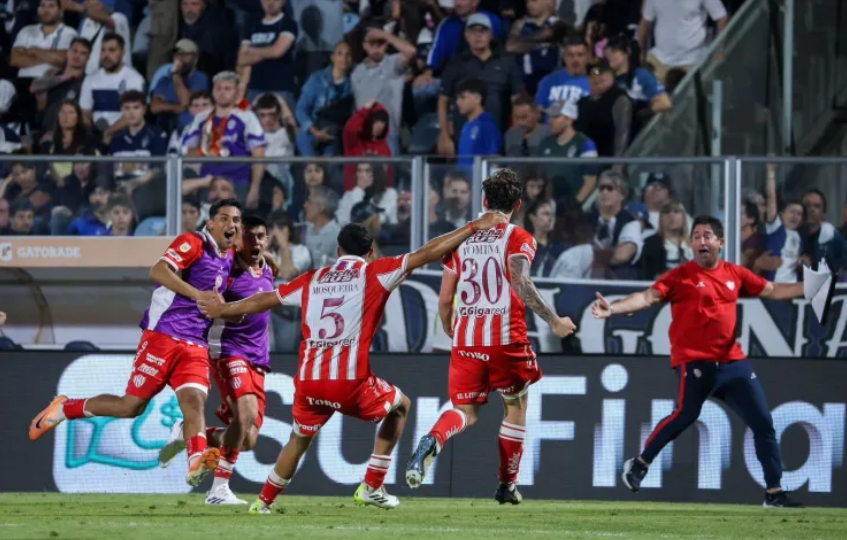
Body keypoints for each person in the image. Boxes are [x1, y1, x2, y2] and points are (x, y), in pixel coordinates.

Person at [198, 210, 511, 513]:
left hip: (308, 382)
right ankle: (372, 486)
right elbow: (427, 253)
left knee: (299, 439)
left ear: (337, 251)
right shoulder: (375, 272)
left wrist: (223, 310)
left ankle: (262, 503)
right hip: (349, 382)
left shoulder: (313, 278)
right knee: (401, 406)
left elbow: (265, 299)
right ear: (371, 251)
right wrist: (472, 227)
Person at [591, 215, 804, 508]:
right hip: (695, 362)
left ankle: (774, 493)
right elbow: (645, 297)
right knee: (686, 414)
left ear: (720, 242)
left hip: (732, 363)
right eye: (696, 236)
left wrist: (811, 288)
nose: (701, 241)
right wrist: (613, 309)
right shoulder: (680, 276)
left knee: (764, 423)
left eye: (707, 236)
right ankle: (639, 464)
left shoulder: (736, 274)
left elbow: (774, 290)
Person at [29, 198, 244, 488]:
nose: (231, 224)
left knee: (194, 403)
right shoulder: (193, 242)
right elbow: (157, 271)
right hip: (163, 335)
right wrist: (197, 294)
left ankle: (195, 461)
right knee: (130, 407)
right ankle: (65, 408)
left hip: (196, 344)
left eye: (236, 220)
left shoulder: (229, 258)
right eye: (225, 218)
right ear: (210, 223)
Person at [405, 168, 576, 503]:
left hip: (467, 337)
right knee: (515, 404)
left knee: (465, 411)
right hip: (505, 337)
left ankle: (435, 439)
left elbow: (444, 299)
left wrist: (449, 325)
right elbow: (520, 281)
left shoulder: (461, 240)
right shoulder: (519, 238)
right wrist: (554, 321)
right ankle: (506, 484)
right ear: (518, 204)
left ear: (483, 200)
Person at [158, 215, 276, 505]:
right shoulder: (230, 269)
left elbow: (271, 265)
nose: (256, 242)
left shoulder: (268, 268)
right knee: (244, 415)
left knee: (248, 439)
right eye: (250, 237)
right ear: (238, 239)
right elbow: (213, 305)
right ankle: (218, 490)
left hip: (258, 358)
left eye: (261, 237)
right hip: (229, 351)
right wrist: (232, 310)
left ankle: (187, 431)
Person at [437, 13, 522, 156]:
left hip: (497, 133)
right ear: (466, 35)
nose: (478, 35)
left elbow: (517, 99)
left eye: (483, 31)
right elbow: (443, 100)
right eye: (473, 31)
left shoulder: (506, 62)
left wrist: (514, 132)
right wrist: (444, 135)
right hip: (462, 133)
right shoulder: (456, 63)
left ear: (491, 34)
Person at [183, 71, 268, 209]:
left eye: (227, 88)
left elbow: (259, 155)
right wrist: (204, 148)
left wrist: (255, 188)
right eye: (218, 88)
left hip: (237, 182)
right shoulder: (201, 118)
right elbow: (189, 153)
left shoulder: (247, 117)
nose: (222, 92)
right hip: (208, 182)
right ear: (213, 91)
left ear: (236, 91)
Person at [352, 25, 416, 155]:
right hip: (363, 136)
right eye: (371, 43)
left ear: (386, 44)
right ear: (364, 45)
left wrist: (385, 35)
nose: (376, 47)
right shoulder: (356, 71)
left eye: (380, 43)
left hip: (388, 134)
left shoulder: (393, 63)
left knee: (390, 175)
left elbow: (411, 51)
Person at [638, 0, 728, 85]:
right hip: (659, 61)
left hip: (692, 62)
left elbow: (722, 17)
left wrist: (720, 49)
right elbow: (645, 22)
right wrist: (642, 52)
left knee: (690, 100)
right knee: (657, 99)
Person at [79, 32, 145, 138]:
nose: (106, 55)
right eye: (103, 50)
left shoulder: (134, 79)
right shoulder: (90, 79)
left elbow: (134, 115)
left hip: (125, 134)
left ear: (122, 53)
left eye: (112, 50)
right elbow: (85, 113)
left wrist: (109, 132)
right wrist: (94, 133)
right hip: (96, 134)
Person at [294, 41, 354, 158]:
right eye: (340, 54)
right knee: (312, 168)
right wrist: (315, 132)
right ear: (333, 57)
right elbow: (301, 109)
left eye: (348, 54)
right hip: (312, 131)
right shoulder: (317, 79)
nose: (344, 58)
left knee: (329, 170)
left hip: (334, 135)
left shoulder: (353, 83)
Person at [604, 34, 671, 137]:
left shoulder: (640, 75)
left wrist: (640, 114)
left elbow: (664, 103)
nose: (610, 56)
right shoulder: (608, 79)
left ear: (627, 53)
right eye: (607, 54)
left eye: (614, 51)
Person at [535, 99, 598, 203]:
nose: (550, 120)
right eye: (550, 116)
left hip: (573, 204)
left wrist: (575, 204)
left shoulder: (585, 144)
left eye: (555, 117)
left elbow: (590, 180)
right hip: (547, 204)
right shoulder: (545, 143)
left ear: (569, 120)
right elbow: (538, 176)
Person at [238, 0, 298, 106]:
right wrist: (268, 52)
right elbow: (242, 59)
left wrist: (252, 51)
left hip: (280, 88)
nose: (270, 3)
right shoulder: (252, 25)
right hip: (254, 89)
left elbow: (277, 51)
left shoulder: (288, 24)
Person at [30, 37, 92, 134]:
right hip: (46, 129)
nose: (77, 56)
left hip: (72, 132)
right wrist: (63, 77)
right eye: (74, 51)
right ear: (68, 52)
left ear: (88, 58)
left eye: (83, 53)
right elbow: (33, 87)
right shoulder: (52, 73)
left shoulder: (88, 82)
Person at [150, 39, 209, 133]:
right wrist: (178, 108)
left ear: (195, 58)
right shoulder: (165, 80)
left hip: (192, 130)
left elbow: (186, 101)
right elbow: (154, 107)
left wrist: (176, 73)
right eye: (177, 54)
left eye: (185, 55)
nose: (180, 59)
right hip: (167, 130)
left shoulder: (200, 78)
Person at [575, 59, 632, 157]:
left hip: (607, 160)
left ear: (612, 75)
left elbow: (622, 134)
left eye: (600, 73)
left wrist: (617, 165)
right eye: (591, 74)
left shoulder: (619, 99)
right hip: (583, 159)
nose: (596, 77)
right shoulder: (582, 103)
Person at [763, 162, 803, 283]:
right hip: (775, 286)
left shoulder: (799, 237)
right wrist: (771, 174)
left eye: (799, 213)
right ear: (781, 215)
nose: (795, 216)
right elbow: (771, 200)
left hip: (792, 288)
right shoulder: (775, 228)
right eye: (792, 212)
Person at [535, 33, 591, 113]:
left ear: (587, 57)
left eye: (580, 55)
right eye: (570, 55)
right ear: (564, 57)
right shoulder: (548, 81)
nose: (575, 60)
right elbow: (537, 111)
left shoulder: (595, 82)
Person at [455, 78, 503, 171]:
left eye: (463, 97)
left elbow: (494, 160)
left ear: (477, 98)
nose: (458, 102)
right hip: (465, 182)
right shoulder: (466, 126)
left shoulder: (487, 124)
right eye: (457, 98)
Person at [640, 200, 693, 279]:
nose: (671, 216)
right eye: (667, 212)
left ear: (684, 218)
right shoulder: (651, 243)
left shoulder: (695, 244)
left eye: (676, 211)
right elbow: (648, 274)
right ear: (661, 219)